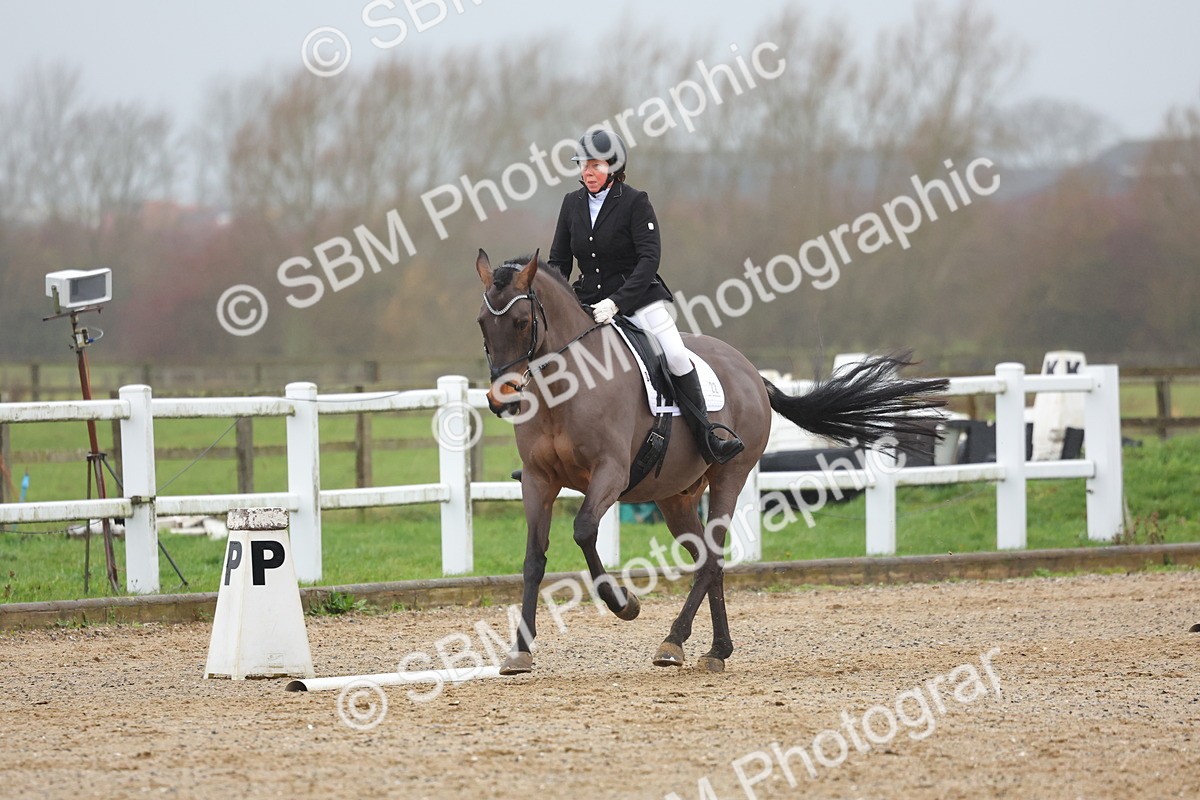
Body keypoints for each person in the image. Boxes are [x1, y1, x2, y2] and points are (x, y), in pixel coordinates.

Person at [548, 129, 744, 464]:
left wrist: (617, 302)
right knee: (552, 354)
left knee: (676, 356)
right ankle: (547, 453)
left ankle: (707, 436)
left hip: (639, 300)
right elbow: (559, 262)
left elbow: (649, 259)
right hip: (588, 303)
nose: (587, 172)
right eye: (583, 165)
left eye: (595, 165)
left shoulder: (635, 202)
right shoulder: (572, 204)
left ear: (614, 167)